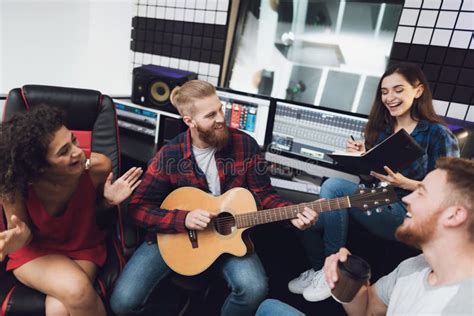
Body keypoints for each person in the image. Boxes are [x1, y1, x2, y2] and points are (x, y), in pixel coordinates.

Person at [110, 80, 318, 316]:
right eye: (211, 115)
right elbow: (137, 208)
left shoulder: (245, 145)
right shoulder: (169, 155)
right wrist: (183, 219)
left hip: (228, 237)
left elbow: (265, 195)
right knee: (122, 302)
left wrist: (292, 213)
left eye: (221, 109)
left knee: (254, 289)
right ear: (190, 121)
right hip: (175, 237)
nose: (221, 118)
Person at [288, 62, 460, 302]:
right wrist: (362, 157)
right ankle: (320, 269)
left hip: (408, 210)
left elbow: (448, 192)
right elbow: (372, 178)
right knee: (308, 211)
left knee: (334, 187)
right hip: (379, 197)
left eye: (398, 90)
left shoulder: (438, 134)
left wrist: (404, 183)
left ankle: (334, 275)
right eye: (384, 91)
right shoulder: (383, 131)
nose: (390, 97)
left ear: (418, 90)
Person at [257, 157, 474, 315]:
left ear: (454, 215)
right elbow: (368, 309)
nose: (407, 199)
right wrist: (344, 282)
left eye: (421, 192)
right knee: (268, 308)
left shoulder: (463, 302)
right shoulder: (412, 268)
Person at [0, 105, 142, 316]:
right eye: (63, 152)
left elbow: (96, 213)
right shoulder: (12, 185)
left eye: (73, 141)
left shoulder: (98, 167)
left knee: (58, 309)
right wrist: (17, 239)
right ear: (39, 167)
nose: (78, 152)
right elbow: (23, 234)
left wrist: (108, 202)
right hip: (35, 252)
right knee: (76, 291)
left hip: (82, 245)